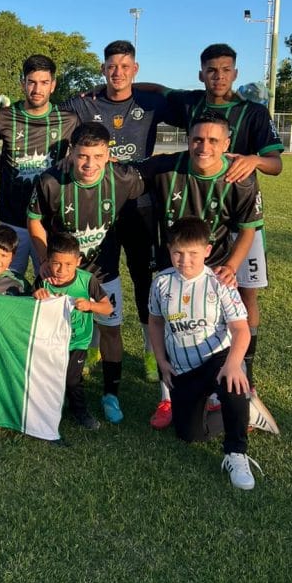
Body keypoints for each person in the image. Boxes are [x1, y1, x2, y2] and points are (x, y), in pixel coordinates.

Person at [137, 44, 284, 427]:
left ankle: (242, 375)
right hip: (191, 223)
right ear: (201, 73)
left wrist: (253, 160)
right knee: (180, 304)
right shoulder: (189, 103)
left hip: (237, 214)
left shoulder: (253, 112)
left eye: (225, 70)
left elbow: (276, 164)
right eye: (211, 70)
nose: (218, 76)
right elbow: (157, 90)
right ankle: (180, 389)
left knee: (242, 295)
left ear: (235, 73)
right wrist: (108, 87)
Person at [59, 40, 185, 381]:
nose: (118, 73)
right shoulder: (84, 103)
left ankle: (150, 351)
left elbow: (189, 108)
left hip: (139, 204)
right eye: (112, 66)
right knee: (94, 275)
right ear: (103, 69)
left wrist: (155, 87)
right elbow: (53, 117)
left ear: (135, 69)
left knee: (144, 278)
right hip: (96, 207)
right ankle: (93, 344)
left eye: (125, 66)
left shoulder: (150, 102)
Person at [27, 122, 145, 422]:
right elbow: (34, 220)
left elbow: (157, 173)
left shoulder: (123, 178)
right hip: (60, 273)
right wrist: (43, 259)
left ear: (108, 155)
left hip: (104, 271)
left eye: (98, 156)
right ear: (71, 152)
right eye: (82, 156)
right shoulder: (50, 181)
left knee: (111, 329)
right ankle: (48, 391)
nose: (90, 164)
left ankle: (110, 394)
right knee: (51, 331)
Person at [148, 217, 262, 490]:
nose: (185, 260)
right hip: (183, 369)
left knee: (233, 382)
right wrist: (161, 361)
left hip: (217, 359)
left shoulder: (220, 282)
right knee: (189, 434)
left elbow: (241, 329)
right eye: (178, 253)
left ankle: (236, 453)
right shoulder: (161, 283)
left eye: (193, 253)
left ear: (207, 251)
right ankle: (244, 411)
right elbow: (155, 322)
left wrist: (233, 364)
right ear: (169, 249)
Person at [0, 55, 79, 276]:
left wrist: (72, 157)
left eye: (44, 82)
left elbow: (86, 149)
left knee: (51, 281)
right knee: (6, 282)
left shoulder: (68, 120)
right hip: (12, 219)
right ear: (23, 83)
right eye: (31, 82)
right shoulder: (5, 116)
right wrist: (5, 168)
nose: (37, 89)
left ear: (53, 85)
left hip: (50, 221)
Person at [33, 233, 113, 430]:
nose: (61, 270)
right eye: (56, 263)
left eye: (68, 264)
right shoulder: (43, 280)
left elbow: (108, 308)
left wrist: (90, 306)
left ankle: (80, 412)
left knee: (71, 379)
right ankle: (46, 409)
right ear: (48, 261)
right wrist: (36, 295)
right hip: (50, 341)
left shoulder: (87, 280)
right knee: (47, 376)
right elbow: (30, 309)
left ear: (78, 261)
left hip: (78, 341)